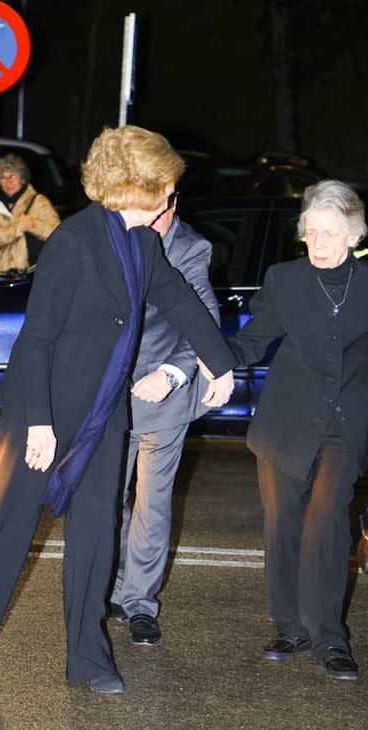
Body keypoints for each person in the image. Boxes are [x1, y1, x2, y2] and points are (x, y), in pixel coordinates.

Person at [0, 125, 237, 695]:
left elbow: (181, 301)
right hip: (45, 411)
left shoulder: (145, 243)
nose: (171, 198)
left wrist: (218, 365)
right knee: (8, 530)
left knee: (96, 535)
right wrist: (41, 424)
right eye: (165, 188)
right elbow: (37, 342)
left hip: (106, 412)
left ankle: (90, 659)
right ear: (134, 187)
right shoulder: (75, 241)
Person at [222, 179, 368, 681]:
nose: (318, 245)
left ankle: (329, 637)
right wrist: (210, 362)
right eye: (310, 233)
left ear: (353, 234)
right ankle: (289, 626)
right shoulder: (284, 280)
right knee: (282, 524)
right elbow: (252, 341)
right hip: (285, 423)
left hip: (345, 424)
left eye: (329, 234)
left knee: (327, 526)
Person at [109, 192, 219, 644]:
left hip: (162, 396)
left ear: (173, 203)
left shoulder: (190, 248)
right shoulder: (116, 235)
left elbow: (204, 318)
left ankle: (139, 603)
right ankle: (109, 588)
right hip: (111, 396)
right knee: (106, 498)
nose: (148, 219)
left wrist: (171, 373)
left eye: (158, 210)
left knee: (150, 504)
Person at [0, 153, 61, 274]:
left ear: (22, 178)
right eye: (3, 177)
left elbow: (57, 232)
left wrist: (34, 225)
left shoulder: (38, 201)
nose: (8, 182)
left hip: (32, 274)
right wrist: (17, 229)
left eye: (12, 176)